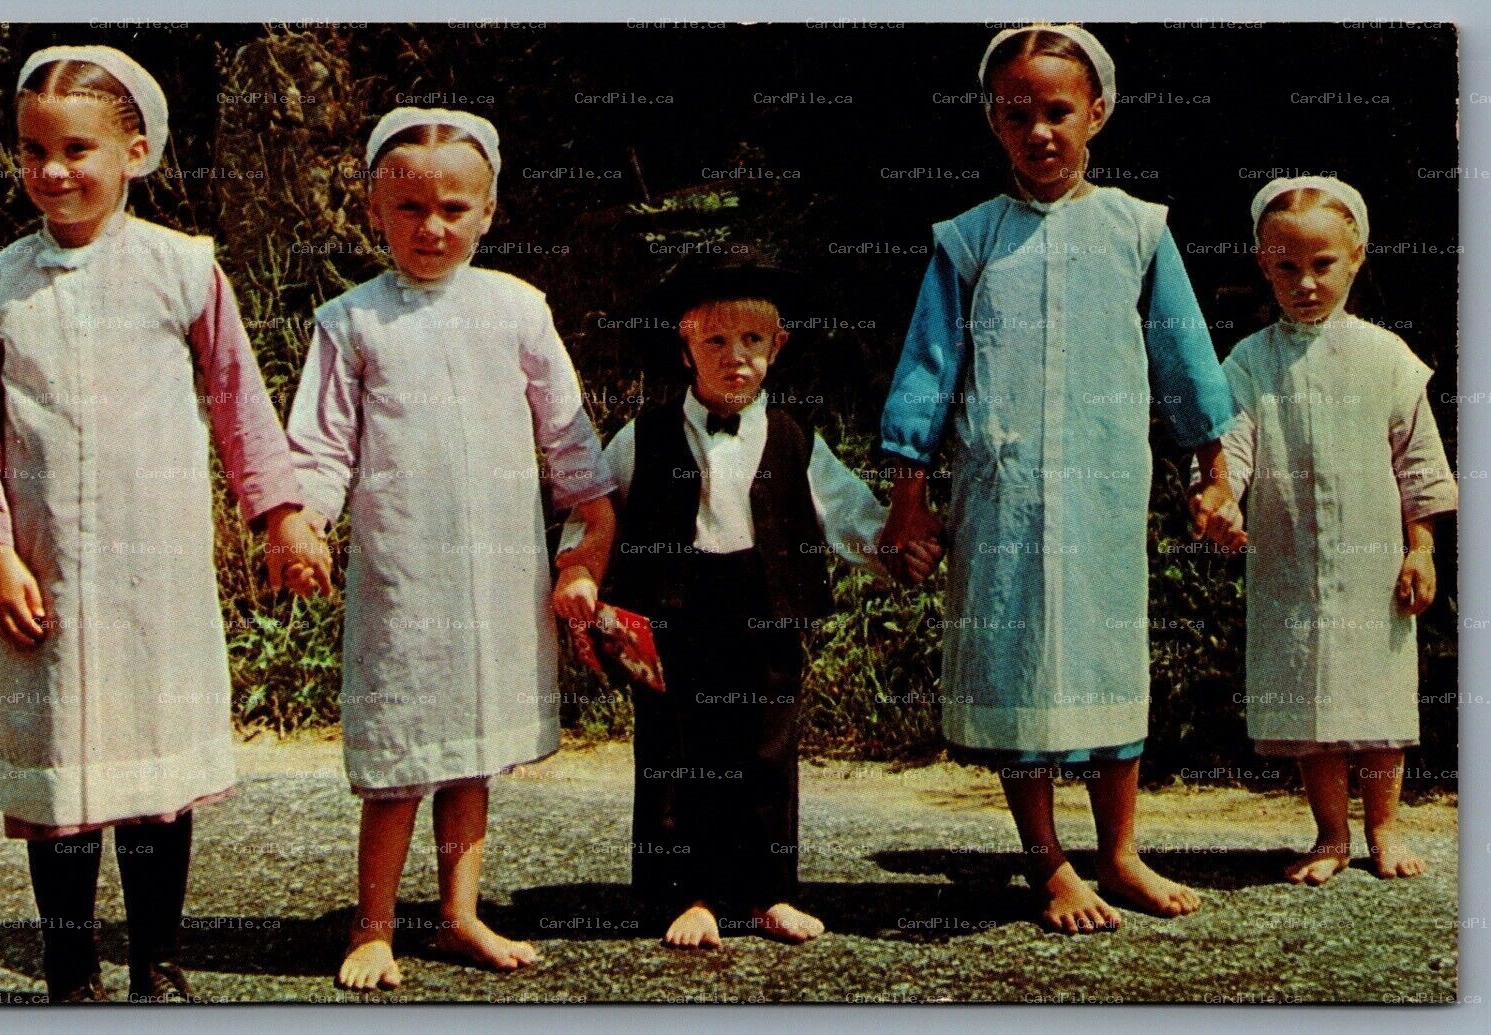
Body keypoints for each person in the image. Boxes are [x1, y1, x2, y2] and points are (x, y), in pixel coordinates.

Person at [0, 45, 331, 1002]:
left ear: (135, 150)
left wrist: (281, 514)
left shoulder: (182, 268)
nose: (52, 170)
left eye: (77, 147)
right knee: (61, 774)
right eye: (31, 150)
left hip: (156, 568)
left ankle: (156, 959)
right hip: (46, 567)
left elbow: (239, 399)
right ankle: (70, 972)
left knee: (155, 765)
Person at [878, 24, 1241, 934]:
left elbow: (1186, 359)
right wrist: (909, 500)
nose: (1038, 131)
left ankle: (1118, 851)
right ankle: (1047, 862)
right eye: (1016, 115)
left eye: (1056, 112)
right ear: (992, 123)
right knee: (1016, 659)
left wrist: (1212, 472)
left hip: (1104, 485)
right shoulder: (968, 242)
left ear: (1097, 114)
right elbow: (927, 369)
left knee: (1109, 654)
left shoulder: (1137, 230)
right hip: (1002, 492)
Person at [284, 107, 615, 989]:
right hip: (403, 567)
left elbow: (565, 427)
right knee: (399, 747)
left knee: (472, 744)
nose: (432, 227)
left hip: (498, 564)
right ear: (371, 211)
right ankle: (374, 924)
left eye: (453, 209)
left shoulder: (516, 308)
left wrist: (589, 514)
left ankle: (460, 912)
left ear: (488, 210)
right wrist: (304, 520)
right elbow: (319, 444)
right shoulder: (350, 322)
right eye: (409, 209)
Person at [562, 255, 932, 948]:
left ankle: (767, 890)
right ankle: (687, 892)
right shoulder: (641, 436)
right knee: (675, 749)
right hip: (674, 607)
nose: (735, 358)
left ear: (778, 345)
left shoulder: (797, 437)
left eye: (752, 342)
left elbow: (847, 513)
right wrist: (582, 571)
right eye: (715, 342)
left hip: (767, 605)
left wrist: (892, 546)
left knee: (766, 747)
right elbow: (596, 511)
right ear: (684, 346)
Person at [1196, 176, 1456, 885]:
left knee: (1377, 689)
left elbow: (1418, 460)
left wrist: (1421, 546)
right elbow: (1233, 445)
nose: (1304, 282)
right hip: (1289, 562)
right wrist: (1220, 494)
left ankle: (1383, 826)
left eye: (1321, 265)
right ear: (1261, 263)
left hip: (1374, 564)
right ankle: (1330, 833)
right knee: (1307, 692)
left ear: (1355, 258)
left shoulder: (1386, 358)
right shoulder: (1249, 361)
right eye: (1286, 266)